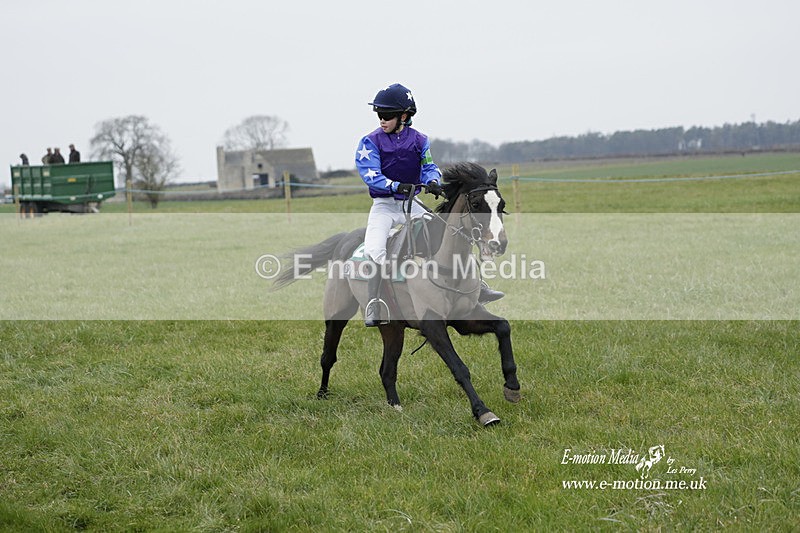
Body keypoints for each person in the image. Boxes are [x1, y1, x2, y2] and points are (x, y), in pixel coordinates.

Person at [355, 83, 502, 327]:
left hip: (412, 204)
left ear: (404, 116)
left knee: (449, 232)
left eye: (387, 115)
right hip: (384, 207)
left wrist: (433, 181)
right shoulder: (370, 142)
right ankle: (375, 302)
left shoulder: (420, 140)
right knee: (375, 249)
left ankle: (478, 286)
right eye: (379, 114)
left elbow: (429, 167)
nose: (381, 120)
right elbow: (370, 174)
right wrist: (396, 186)